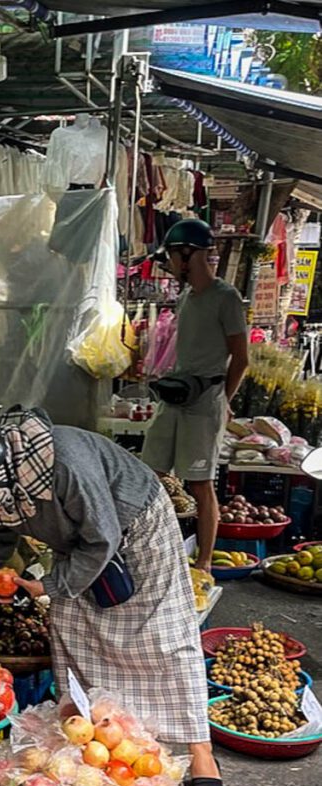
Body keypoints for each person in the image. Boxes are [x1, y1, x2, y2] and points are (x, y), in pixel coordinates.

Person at [0, 406, 223, 786]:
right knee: (72, 627)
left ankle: (199, 750)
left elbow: (102, 539)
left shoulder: (64, 464)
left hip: (136, 527)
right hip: (80, 542)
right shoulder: (0, 486)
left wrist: (50, 583)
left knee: (164, 635)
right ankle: (91, 735)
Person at [142, 219, 249, 572]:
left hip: (206, 400)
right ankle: (152, 548)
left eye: (172, 256)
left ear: (188, 254)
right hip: (177, 394)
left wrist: (224, 399)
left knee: (200, 483)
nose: (170, 265)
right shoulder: (187, 296)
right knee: (151, 471)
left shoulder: (226, 297)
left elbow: (242, 358)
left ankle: (202, 563)